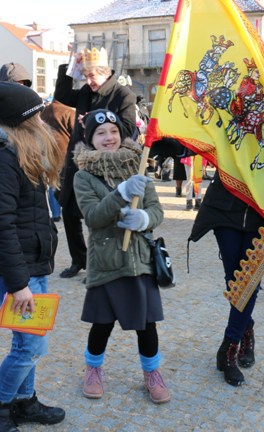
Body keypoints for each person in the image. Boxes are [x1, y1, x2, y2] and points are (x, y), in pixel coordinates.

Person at [0, 81, 65, 431]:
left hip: (31, 264)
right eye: (37, 118)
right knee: (29, 345)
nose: (43, 123)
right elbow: (1, 229)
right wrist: (19, 285)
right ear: (21, 123)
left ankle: (24, 402)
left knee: (28, 340)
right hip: (15, 272)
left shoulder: (19, 151)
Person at [188, 118, 264, 386]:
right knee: (234, 279)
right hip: (226, 209)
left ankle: (230, 346)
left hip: (263, 214)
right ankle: (246, 328)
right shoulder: (235, 113)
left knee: (249, 282)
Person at [73, 109, 169, 404]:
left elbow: (157, 212)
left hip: (139, 262)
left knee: (146, 325)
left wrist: (142, 219)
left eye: (113, 131)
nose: (108, 137)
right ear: (90, 139)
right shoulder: (83, 176)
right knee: (101, 324)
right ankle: (93, 370)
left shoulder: (138, 166)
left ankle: (152, 374)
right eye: (100, 133)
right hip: (106, 263)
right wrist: (122, 193)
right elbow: (93, 217)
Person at [54, 47, 137, 278]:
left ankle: (98, 264)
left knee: (99, 218)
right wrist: (71, 64)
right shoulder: (84, 92)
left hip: (104, 167)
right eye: (86, 75)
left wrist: (95, 124)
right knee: (69, 212)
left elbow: (129, 132)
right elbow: (61, 94)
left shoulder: (123, 95)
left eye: (92, 76)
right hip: (77, 162)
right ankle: (78, 259)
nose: (88, 80)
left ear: (105, 72)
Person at [40, 97, 77, 223]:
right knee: (68, 182)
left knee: (52, 183)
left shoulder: (44, 112)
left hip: (48, 152)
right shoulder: (69, 112)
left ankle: (56, 214)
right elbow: (76, 134)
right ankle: (69, 210)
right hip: (66, 153)